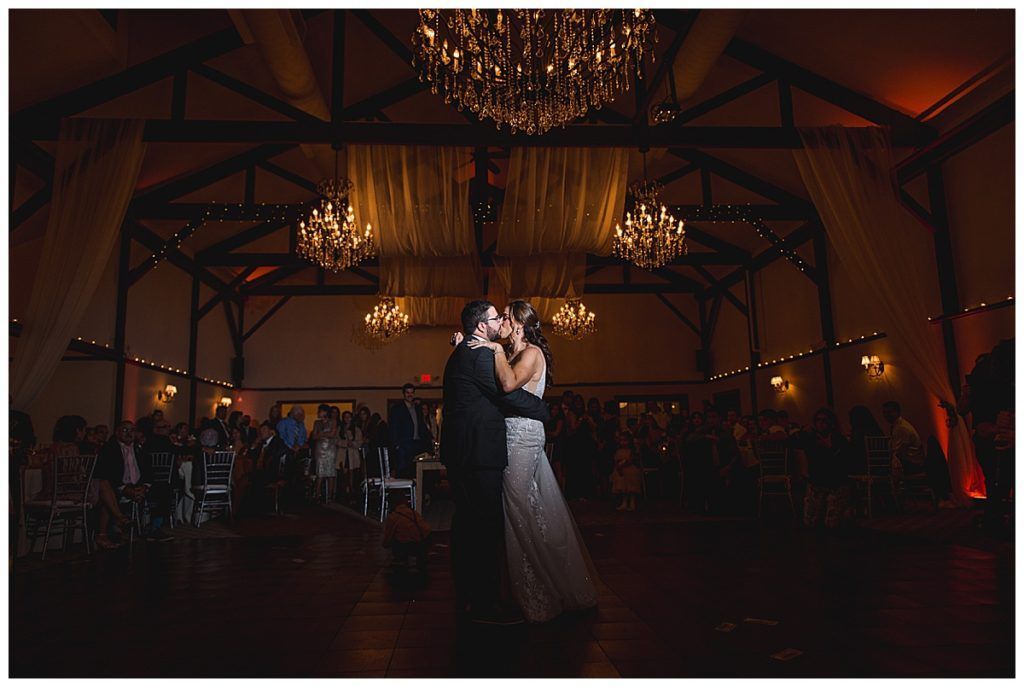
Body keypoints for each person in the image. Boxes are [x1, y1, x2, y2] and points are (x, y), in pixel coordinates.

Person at [461, 299, 597, 624]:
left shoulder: (531, 353)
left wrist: (494, 349)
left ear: (519, 324)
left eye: (506, 318)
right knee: (522, 506)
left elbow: (508, 385)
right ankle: (525, 584)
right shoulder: (512, 353)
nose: (501, 323)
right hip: (510, 435)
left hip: (523, 435)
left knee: (517, 506)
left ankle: (543, 587)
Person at [882, 401, 953, 508]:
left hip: (912, 464)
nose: (886, 415)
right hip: (912, 461)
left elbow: (901, 452)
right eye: (885, 413)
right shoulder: (898, 426)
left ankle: (891, 504)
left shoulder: (901, 428)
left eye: (889, 412)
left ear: (897, 412)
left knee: (883, 471)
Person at [799, 408, 855, 529]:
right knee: (811, 523)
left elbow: (846, 462)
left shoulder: (839, 439)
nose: (821, 423)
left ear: (831, 423)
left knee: (832, 524)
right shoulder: (811, 439)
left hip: (836, 484)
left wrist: (830, 448)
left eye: (824, 420)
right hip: (816, 482)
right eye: (818, 420)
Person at [388, 383, 433, 479]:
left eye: (412, 392)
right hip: (404, 445)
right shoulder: (397, 409)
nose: (410, 395)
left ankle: (416, 488)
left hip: (417, 444)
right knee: (403, 472)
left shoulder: (417, 408)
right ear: (404, 394)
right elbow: (393, 427)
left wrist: (430, 438)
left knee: (416, 472)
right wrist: (397, 445)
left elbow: (422, 425)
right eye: (407, 392)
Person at [381, 492, 432, 572]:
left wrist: (385, 544)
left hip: (405, 546)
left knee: (395, 538)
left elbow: (387, 538)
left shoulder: (393, 517)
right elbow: (426, 529)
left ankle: (401, 560)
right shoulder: (413, 513)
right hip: (422, 543)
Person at [311, 404, 338, 503]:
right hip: (320, 449)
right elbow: (314, 436)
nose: (318, 413)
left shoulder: (333, 421)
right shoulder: (317, 422)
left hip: (330, 449)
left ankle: (330, 495)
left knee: (331, 472)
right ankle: (317, 494)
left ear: (325, 412)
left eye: (320, 411)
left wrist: (321, 434)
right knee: (320, 472)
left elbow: (332, 434)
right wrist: (325, 434)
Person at [611, 432, 642, 511]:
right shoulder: (618, 451)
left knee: (631, 483)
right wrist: (618, 466)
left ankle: (632, 502)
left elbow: (631, 460)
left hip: (630, 469)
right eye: (621, 440)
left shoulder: (632, 451)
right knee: (622, 483)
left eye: (625, 440)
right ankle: (624, 502)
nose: (623, 442)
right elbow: (616, 460)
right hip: (621, 470)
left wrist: (624, 463)